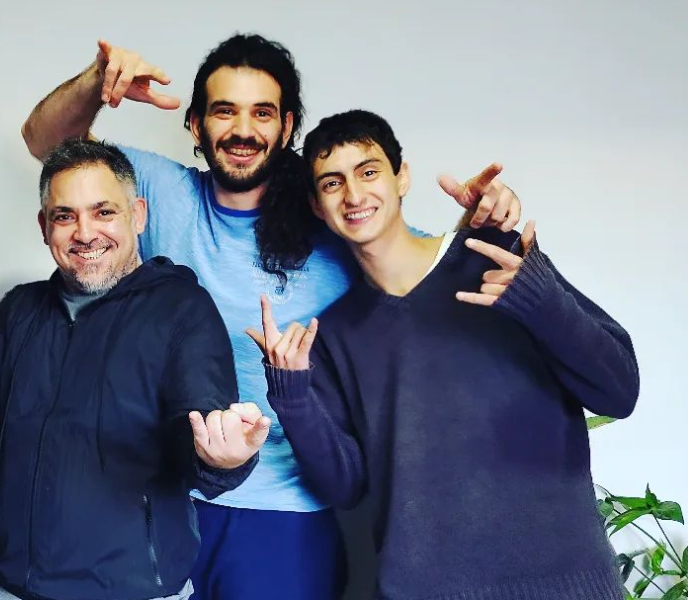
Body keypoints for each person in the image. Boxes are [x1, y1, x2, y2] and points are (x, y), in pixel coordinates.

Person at [21, 34, 523, 600]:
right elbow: (46, 143)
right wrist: (98, 80)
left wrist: (486, 221)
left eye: (262, 113)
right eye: (224, 111)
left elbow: (427, 269)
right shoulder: (159, 194)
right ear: (195, 125)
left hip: (283, 513)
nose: (242, 130)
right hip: (158, 499)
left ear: (286, 128)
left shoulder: (333, 218)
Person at [0, 138, 269, 600]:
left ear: (138, 215)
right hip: (13, 589)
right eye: (65, 216)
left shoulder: (182, 308)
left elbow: (201, 424)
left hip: (134, 593)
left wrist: (221, 458)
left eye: (103, 212)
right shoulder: (23, 308)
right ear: (44, 226)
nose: (85, 233)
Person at [250, 108, 640, 600]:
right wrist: (292, 395)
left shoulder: (494, 260)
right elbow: (345, 486)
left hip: (566, 585)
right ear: (316, 204)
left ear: (402, 177)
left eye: (368, 171)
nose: (353, 195)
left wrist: (541, 300)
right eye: (332, 183)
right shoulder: (333, 335)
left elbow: (618, 392)